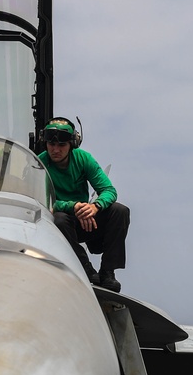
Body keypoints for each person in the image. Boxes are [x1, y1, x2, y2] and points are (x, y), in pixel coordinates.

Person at [37, 118, 130, 293]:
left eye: (61, 145)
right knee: (59, 219)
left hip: (87, 219)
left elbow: (109, 190)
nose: (55, 150)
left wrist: (95, 207)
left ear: (72, 144)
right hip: (62, 223)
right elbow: (42, 200)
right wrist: (74, 206)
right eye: (51, 144)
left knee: (120, 211)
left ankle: (107, 272)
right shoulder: (40, 164)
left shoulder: (83, 159)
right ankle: (85, 267)